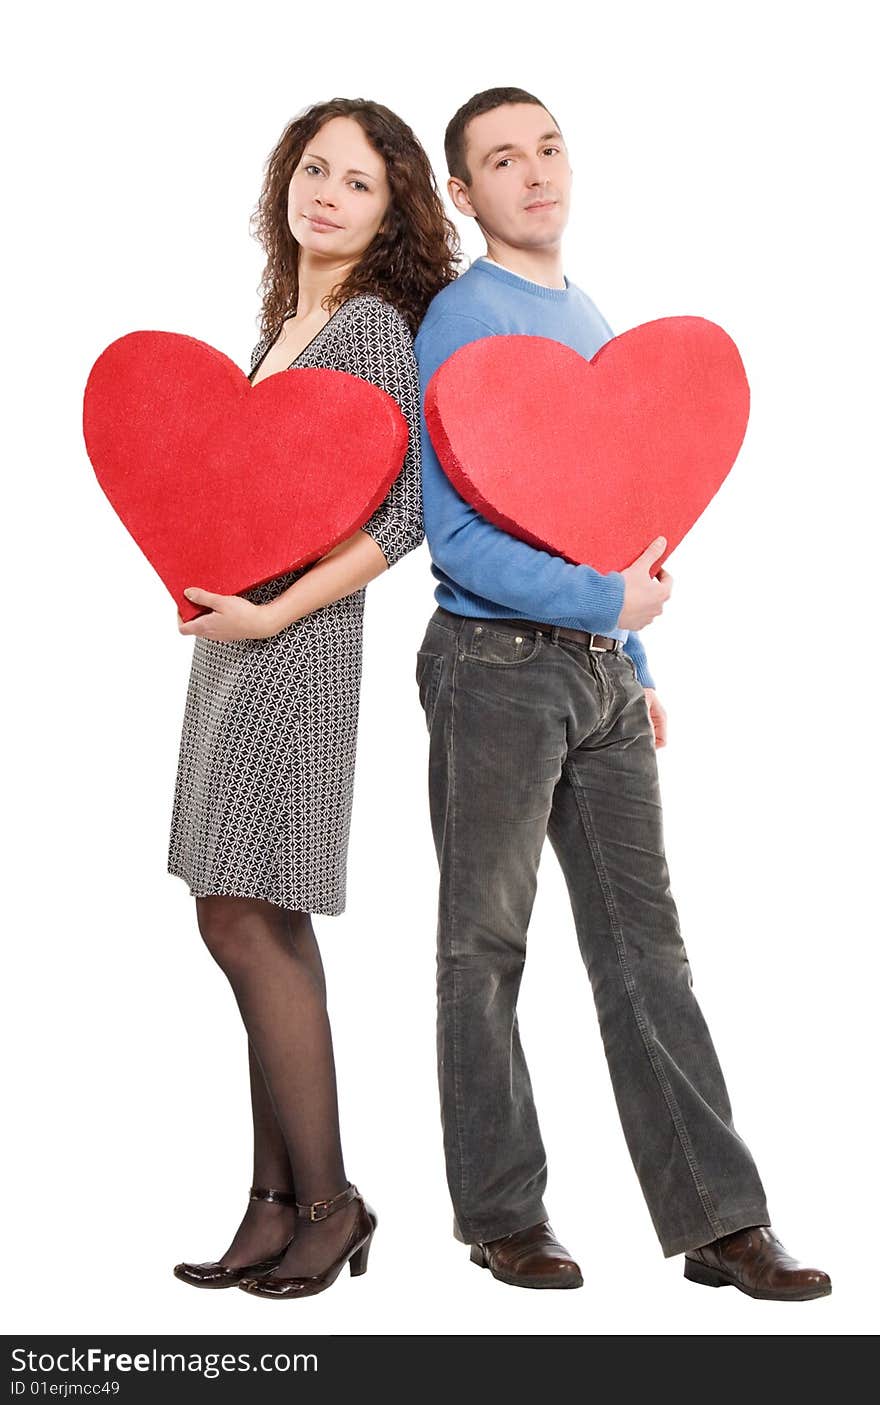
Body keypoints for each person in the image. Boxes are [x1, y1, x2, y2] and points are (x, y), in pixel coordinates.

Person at [413, 87, 831, 1302]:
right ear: (463, 192)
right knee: (483, 949)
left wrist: (631, 664)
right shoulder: (459, 318)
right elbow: (456, 537)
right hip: (492, 670)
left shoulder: (587, 313)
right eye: (502, 159)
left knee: (649, 954)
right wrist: (609, 613)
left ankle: (720, 1221)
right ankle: (502, 1215)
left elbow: (610, 526)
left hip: (598, 679)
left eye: (548, 149)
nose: (535, 173)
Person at [167, 97, 458, 1301]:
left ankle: (330, 1200)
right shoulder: (291, 319)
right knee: (247, 917)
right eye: (314, 169)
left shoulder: (375, 329)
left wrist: (275, 612)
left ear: (391, 213)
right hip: (236, 640)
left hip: (297, 644)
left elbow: (399, 516)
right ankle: (275, 1199)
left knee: (248, 916)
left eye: (359, 182)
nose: (326, 194)